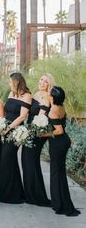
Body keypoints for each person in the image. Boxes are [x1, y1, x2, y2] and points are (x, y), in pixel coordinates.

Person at [40, 86, 81, 216]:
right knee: (59, 173)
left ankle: (59, 205)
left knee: (55, 173)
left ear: (52, 97)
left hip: (58, 143)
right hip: (64, 142)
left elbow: (59, 130)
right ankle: (62, 202)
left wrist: (43, 134)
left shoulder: (53, 111)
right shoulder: (61, 107)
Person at [21, 73, 54, 206]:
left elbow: (41, 117)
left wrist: (30, 131)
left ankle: (37, 196)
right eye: (41, 79)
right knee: (27, 161)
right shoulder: (35, 94)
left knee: (31, 162)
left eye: (45, 81)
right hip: (29, 131)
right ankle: (30, 193)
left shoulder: (47, 97)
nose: (42, 82)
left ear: (49, 84)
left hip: (37, 133)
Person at [0, 72, 32, 203]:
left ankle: (9, 194)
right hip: (6, 128)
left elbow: (23, 116)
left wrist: (8, 128)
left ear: (16, 81)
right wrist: (2, 125)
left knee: (7, 158)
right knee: (9, 160)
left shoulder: (27, 96)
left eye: (10, 81)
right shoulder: (11, 94)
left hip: (17, 131)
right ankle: (13, 192)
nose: (9, 83)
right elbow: (6, 111)